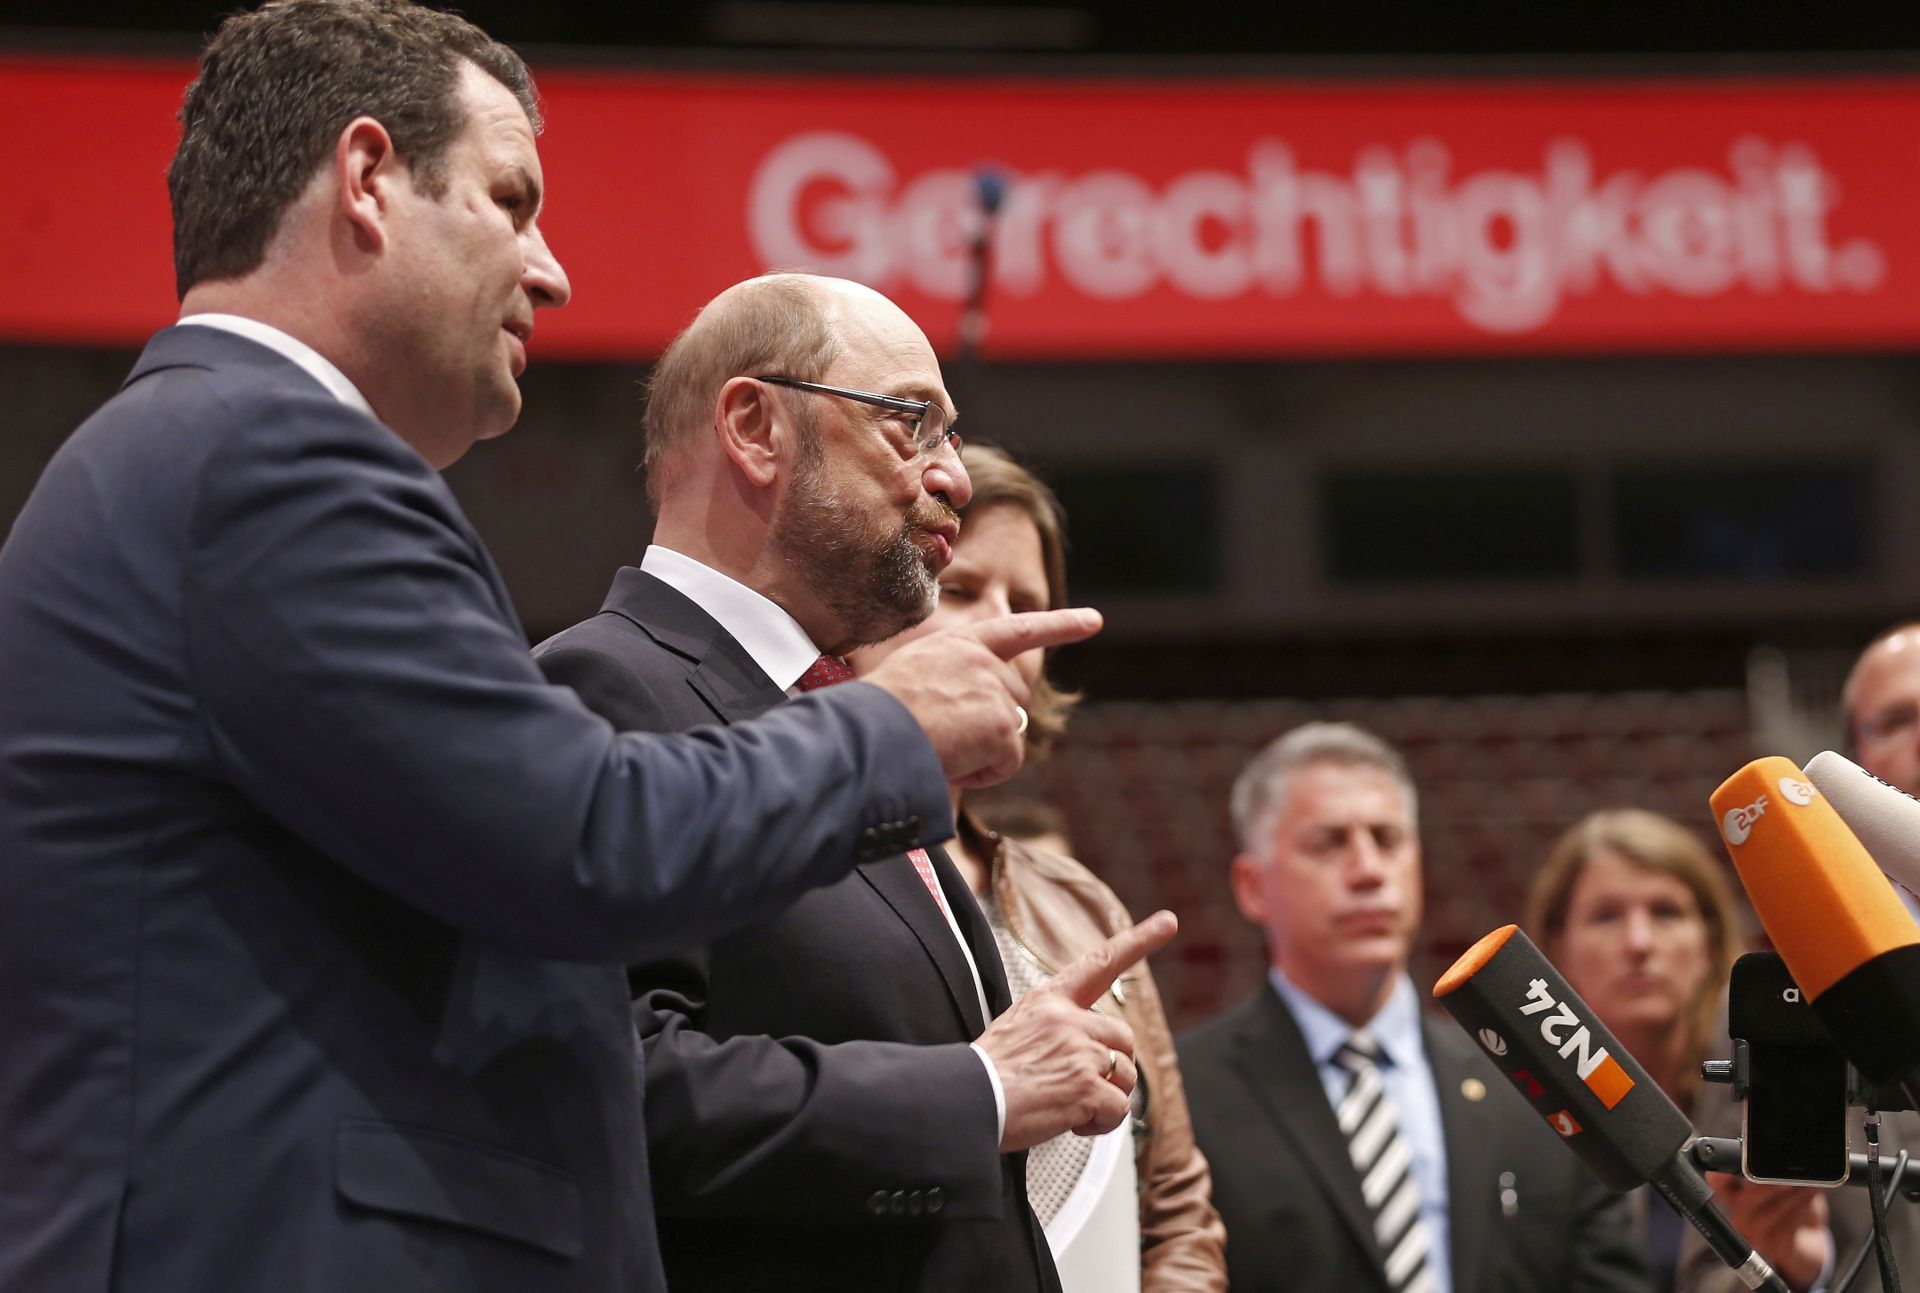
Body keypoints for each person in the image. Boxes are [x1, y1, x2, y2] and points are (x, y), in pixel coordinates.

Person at [0, 5, 1092, 1291]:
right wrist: (891, 728)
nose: (552, 269)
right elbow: (583, 841)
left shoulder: (215, 455)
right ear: (367, 181)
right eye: (511, 201)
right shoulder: (268, 460)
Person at [533, 274, 1172, 1293]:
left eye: (952, 438)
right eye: (911, 423)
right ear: (755, 428)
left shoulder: (831, 706)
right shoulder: (605, 685)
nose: (954, 477)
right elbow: (620, 1087)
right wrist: (979, 1091)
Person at [848, 444, 1228, 1293]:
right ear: (869, 605)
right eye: (962, 590)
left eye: (1030, 603)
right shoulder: (787, 867)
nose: (1009, 630)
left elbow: (1174, 1209)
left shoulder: (1083, 903)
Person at [1177, 722, 1650, 1293]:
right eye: (1328, 844)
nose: (1369, 871)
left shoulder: (1534, 1081)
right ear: (1253, 886)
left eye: (1387, 839)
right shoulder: (1185, 1094)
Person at [1526, 809, 1831, 1293]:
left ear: (1709, 942)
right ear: (1555, 947)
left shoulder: (1777, 1074)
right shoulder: (1523, 1105)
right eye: (1606, 916)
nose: (1639, 943)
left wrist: (1802, 1268)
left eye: (1666, 912)